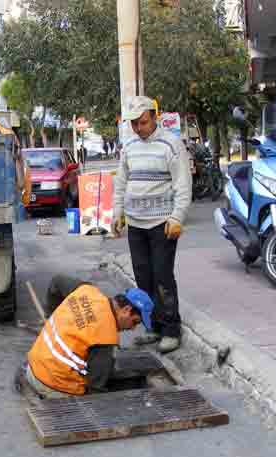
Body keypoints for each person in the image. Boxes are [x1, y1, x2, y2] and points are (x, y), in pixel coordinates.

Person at [112, 96, 192, 354]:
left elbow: (183, 183)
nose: (138, 128)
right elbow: (121, 182)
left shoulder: (171, 144)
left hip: (162, 223)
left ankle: (171, 330)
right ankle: (153, 326)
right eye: (134, 124)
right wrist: (117, 213)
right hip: (136, 223)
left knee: (163, 277)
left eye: (142, 122)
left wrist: (177, 216)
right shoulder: (129, 145)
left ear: (154, 117)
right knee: (143, 277)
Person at [25, 275, 154, 399]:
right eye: (135, 322)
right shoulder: (106, 338)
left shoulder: (88, 291)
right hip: (52, 385)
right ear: (126, 310)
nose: (132, 328)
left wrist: (50, 315)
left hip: (33, 366)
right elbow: (95, 390)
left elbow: (57, 281)